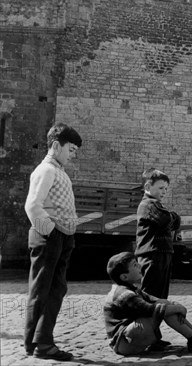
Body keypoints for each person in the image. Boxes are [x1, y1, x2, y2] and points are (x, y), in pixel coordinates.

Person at [24, 122, 83, 361]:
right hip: (51, 236)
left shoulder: (58, 171)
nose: (73, 155)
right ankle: (42, 343)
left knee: (54, 289)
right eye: (71, 150)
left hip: (61, 236)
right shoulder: (46, 170)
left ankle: (37, 340)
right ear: (56, 145)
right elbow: (32, 205)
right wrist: (51, 231)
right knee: (44, 290)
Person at [103, 251, 192, 355]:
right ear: (124, 276)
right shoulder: (124, 294)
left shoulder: (131, 288)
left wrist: (173, 304)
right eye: (134, 265)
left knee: (167, 305)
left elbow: (152, 299)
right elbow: (150, 309)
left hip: (130, 338)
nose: (139, 266)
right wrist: (178, 308)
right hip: (123, 342)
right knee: (163, 309)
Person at [134, 168, 180, 349]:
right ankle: (145, 336)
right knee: (150, 297)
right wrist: (173, 216)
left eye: (166, 189)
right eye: (161, 188)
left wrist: (172, 218)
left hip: (162, 254)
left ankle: (153, 335)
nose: (164, 192)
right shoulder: (148, 205)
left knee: (160, 298)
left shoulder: (156, 205)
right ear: (148, 186)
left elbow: (172, 221)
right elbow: (166, 221)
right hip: (152, 255)